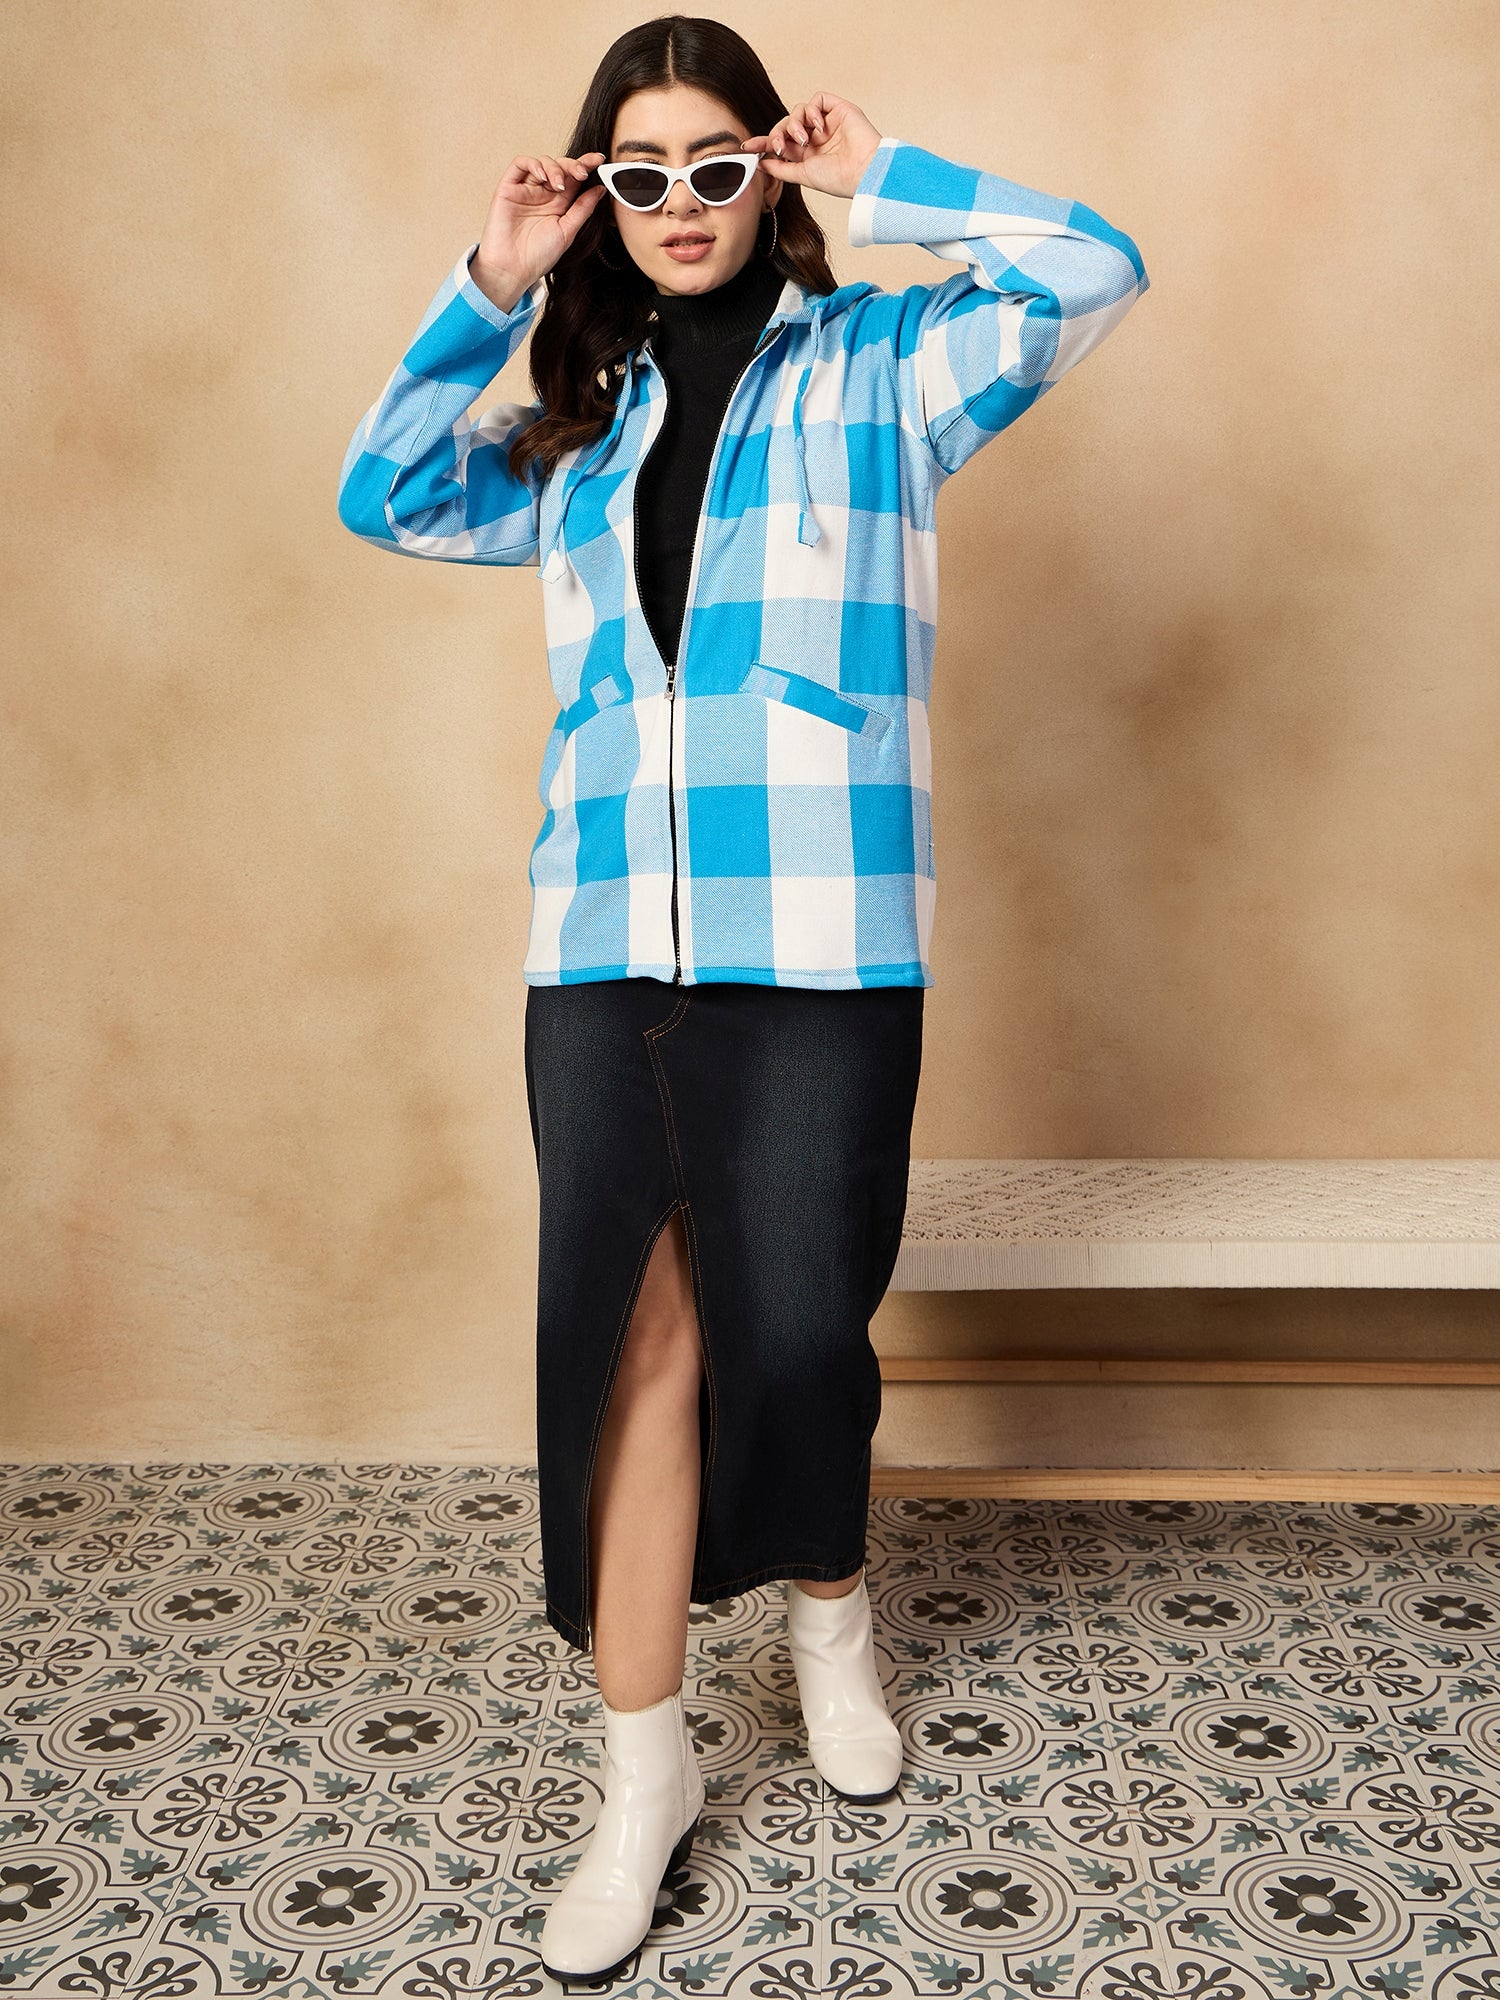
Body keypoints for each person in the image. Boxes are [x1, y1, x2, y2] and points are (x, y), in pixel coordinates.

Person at [338, 14, 1148, 1983]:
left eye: (717, 164)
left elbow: (1094, 267)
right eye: (641, 174)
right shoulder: (580, 411)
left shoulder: (887, 368)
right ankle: (644, 1775)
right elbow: (385, 490)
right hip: (604, 940)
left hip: (824, 933)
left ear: (764, 172)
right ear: (601, 193)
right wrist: (490, 285)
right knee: (628, 1344)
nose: (682, 203)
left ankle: (829, 1607)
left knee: (798, 1322)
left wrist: (888, 179)